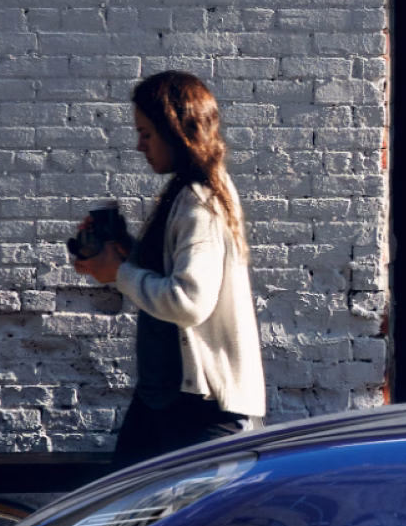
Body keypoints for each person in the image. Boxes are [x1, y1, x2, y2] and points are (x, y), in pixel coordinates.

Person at [69, 72, 268, 463]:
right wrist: (121, 251)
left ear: (174, 130)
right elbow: (169, 274)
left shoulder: (199, 201)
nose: (139, 145)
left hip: (199, 410)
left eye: (146, 133)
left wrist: (120, 273)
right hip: (165, 401)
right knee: (127, 515)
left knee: (156, 522)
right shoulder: (187, 193)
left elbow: (189, 302)